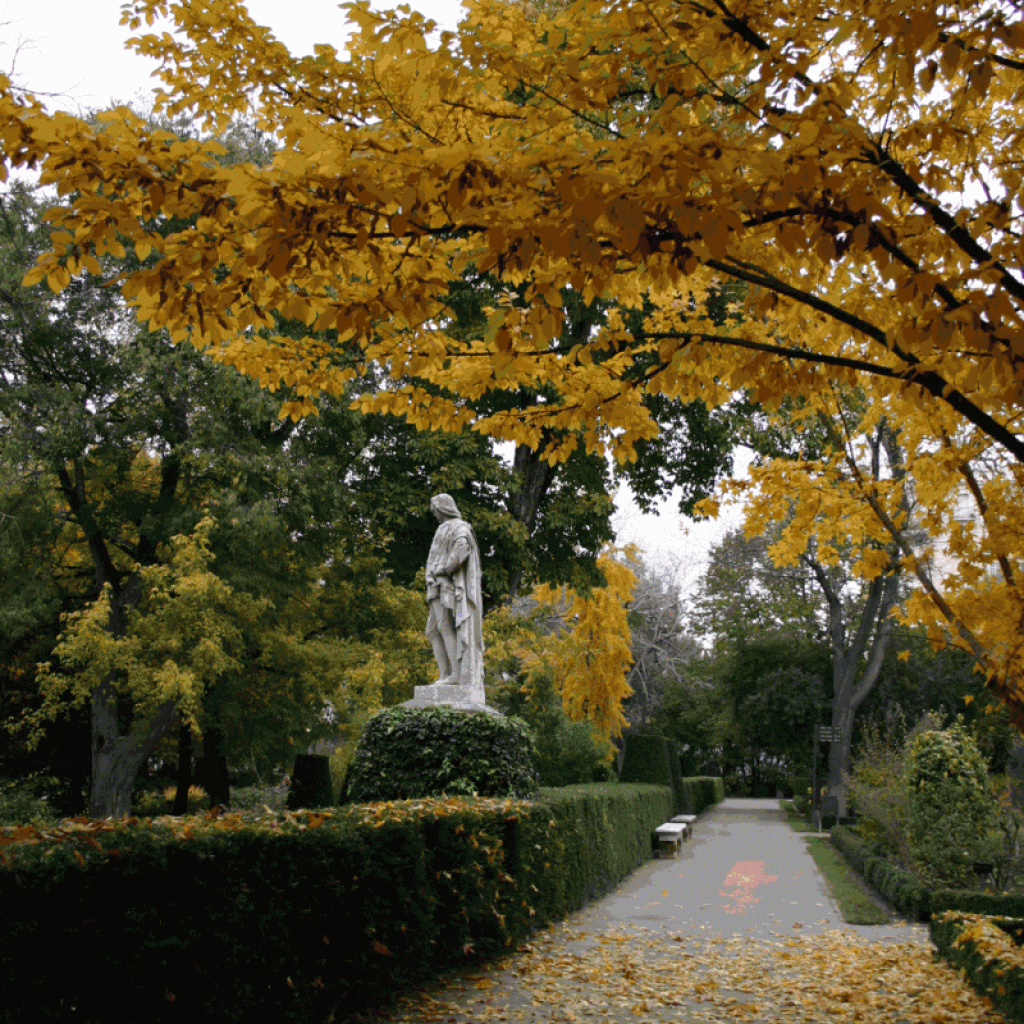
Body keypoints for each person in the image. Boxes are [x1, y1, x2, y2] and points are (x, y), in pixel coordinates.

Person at [425, 494, 485, 688]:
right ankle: (445, 675)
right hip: (435, 585)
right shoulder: (442, 527)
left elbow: (462, 549)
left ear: (444, 508)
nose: (434, 513)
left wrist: (444, 569)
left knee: (446, 625)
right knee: (433, 630)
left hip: (449, 588)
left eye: (436, 509)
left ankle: (456, 676)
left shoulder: (460, 526)